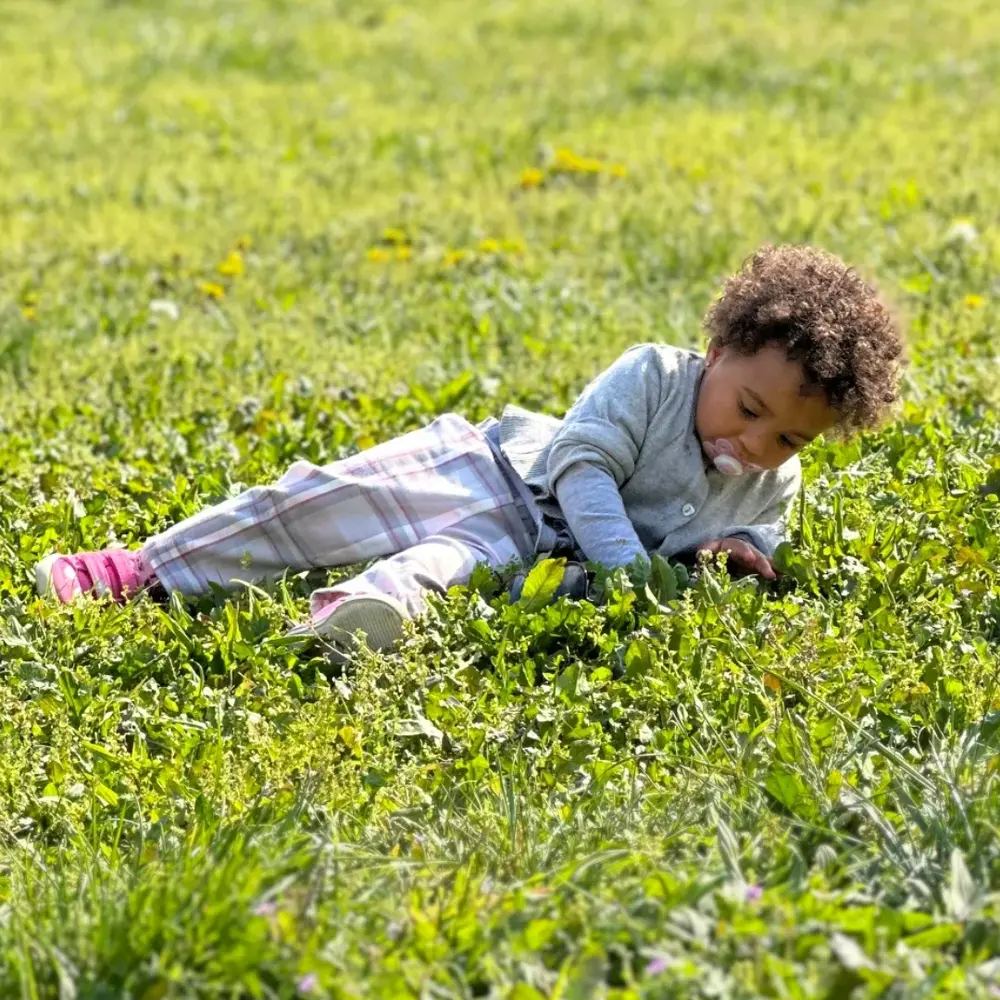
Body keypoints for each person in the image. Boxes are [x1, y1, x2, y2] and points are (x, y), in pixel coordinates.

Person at [35, 244, 904, 656]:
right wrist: (632, 568)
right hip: (490, 471)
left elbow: (758, 547)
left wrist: (734, 556)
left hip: (534, 551)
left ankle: (341, 622)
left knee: (434, 574)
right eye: (750, 409)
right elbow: (582, 467)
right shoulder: (652, 376)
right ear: (716, 353)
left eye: (787, 437)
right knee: (316, 501)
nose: (755, 443)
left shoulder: (771, 482)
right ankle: (145, 569)